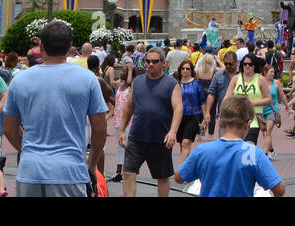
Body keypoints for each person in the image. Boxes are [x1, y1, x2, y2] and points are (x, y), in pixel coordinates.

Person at [2, 21, 109, 197]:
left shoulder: (20, 80)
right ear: (70, 47)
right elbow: (99, 128)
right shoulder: (88, 79)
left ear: (41, 47)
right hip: (70, 171)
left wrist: (27, 150)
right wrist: (92, 163)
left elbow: (9, 128)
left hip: (31, 171)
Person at [176, 96, 285, 197]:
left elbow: (179, 177)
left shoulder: (202, 151)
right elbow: (279, 189)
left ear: (220, 123)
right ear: (248, 124)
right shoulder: (253, 153)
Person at [119, 46, 182, 197]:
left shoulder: (171, 84)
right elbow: (129, 107)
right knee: (128, 172)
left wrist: (172, 131)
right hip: (137, 137)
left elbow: (178, 108)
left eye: (155, 61)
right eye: (148, 61)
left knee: (162, 177)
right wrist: (121, 130)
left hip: (160, 139)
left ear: (163, 63)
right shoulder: (138, 82)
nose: (150, 64)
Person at [224, 53, 271, 145]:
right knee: (236, 145)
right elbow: (227, 97)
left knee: (249, 146)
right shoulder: (236, 79)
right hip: (236, 118)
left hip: (252, 119)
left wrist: (253, 103)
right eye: (245, 64)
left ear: (254, 66)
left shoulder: (260, 79)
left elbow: (268, 99)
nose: (247, 66)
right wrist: (224, 111)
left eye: (250, 64)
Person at [175, 58, 206, 162]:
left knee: (186, 143)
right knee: (181, 144)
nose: (185, 70)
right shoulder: (176, 84)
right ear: (179, 70)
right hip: (179, 116)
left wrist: (205, 117)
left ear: (191, 70)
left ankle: (180, 171)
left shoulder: (196, 84)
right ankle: (187, 168)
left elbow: (202, 101)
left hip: (194, 115)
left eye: (187, 68)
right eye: (183, 68)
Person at [204, 52, 237, 136]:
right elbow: (211, 94)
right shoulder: (218, 75)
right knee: (224, 140)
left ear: (236, 62)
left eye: (231, 63)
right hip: (224, 114)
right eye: (226, 64)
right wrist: (207, 112)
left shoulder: (242, 75)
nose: (228, 66)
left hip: (240, 114)